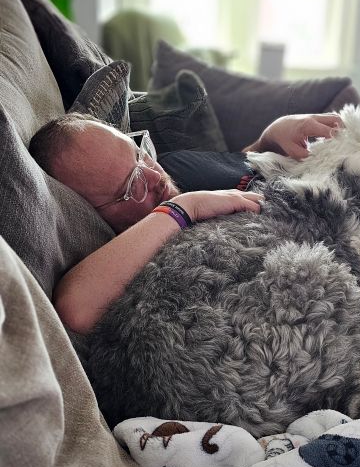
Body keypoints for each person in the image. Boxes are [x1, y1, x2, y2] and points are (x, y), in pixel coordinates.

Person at [29, 111, 342, 335]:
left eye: (138, 155)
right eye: (132, 185)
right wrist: (183, 208)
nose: (155, 176)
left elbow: (241, 160)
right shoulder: (148, 238)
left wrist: (271, 136)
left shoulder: (174, 165)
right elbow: (76, 310)